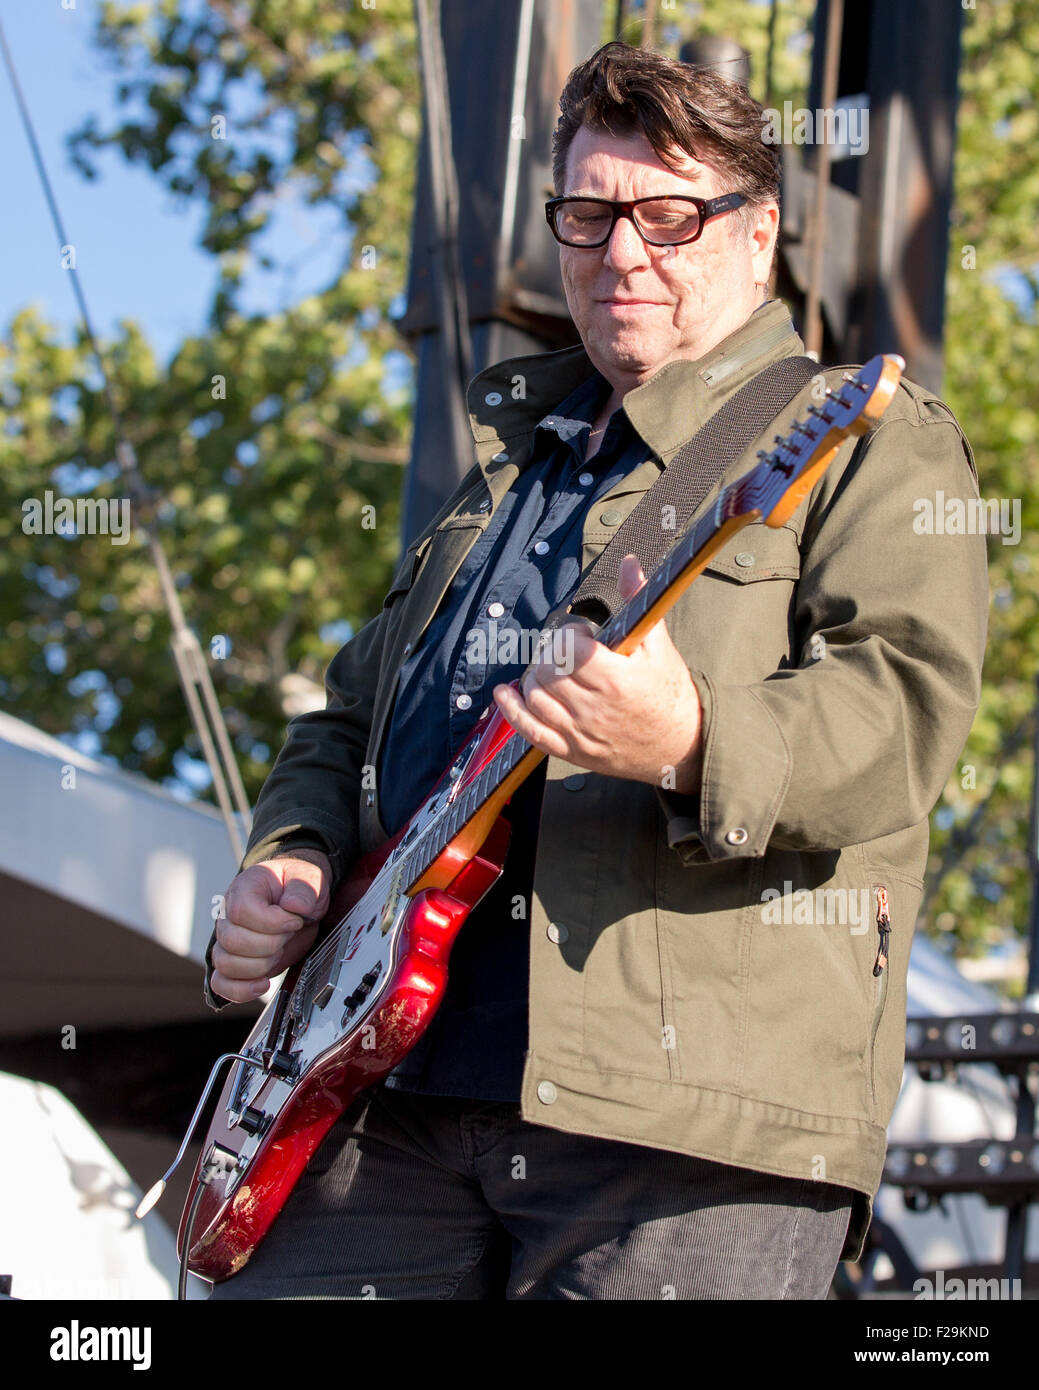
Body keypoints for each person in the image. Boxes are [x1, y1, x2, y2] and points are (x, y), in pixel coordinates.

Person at [203, 41, 988, 1300]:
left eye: (670, 214)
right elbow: (348, 713)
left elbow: (901, 720)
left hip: (680, 1128)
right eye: (589, 212)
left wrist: (689, 739)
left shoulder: (858, 441)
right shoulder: (512, 461)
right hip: (374, 1097)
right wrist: (289, 853)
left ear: (758, 232)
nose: (623, 251)